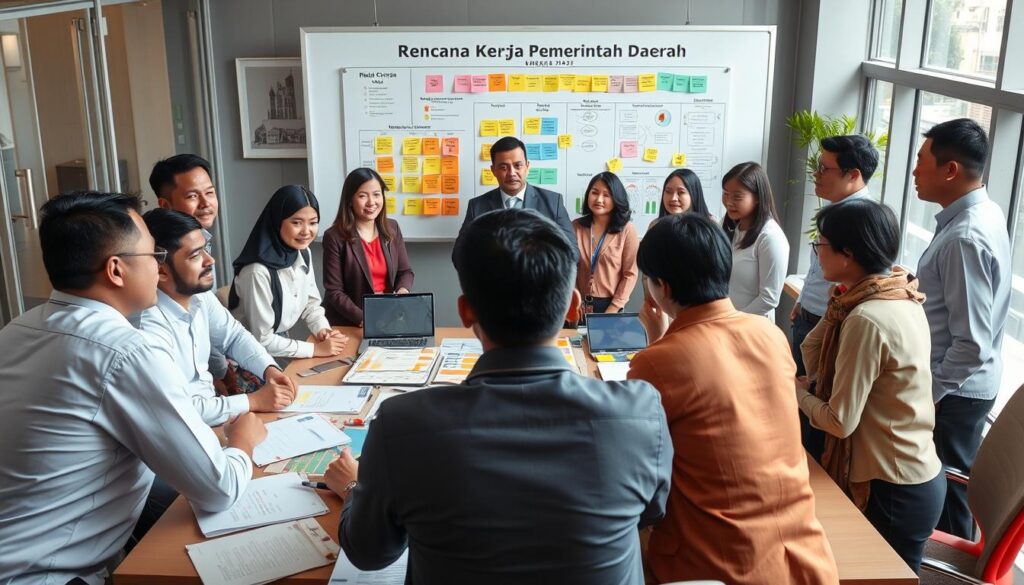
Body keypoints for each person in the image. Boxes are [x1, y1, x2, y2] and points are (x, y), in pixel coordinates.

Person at [324, 208, 671, 584]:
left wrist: (353, 486)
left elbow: (369, 551)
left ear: (465, 312)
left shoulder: (401, 425)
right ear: (573, 307)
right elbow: (650, 513)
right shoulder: (640, 413)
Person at [0, 191, 265, 584]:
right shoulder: (125, 351)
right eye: (153, 256)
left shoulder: (18, 329)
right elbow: (218, 488)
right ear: (116, 270)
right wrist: (242, 442)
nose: (159, 268)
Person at [629, 213, 838, 585]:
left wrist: (658, 342)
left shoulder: (657, 361)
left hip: (716, 567)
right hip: (806, 559)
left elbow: (641, 471)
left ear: (661, 287)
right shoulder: (770, 335)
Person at [797, 199, 944, 572]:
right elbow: (812, 351)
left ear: (847, 254)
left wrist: (791, 391)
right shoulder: (895, 293)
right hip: (908, 474)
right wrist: (837, 307)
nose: (816, 254)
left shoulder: (867, 318)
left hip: (893, 486)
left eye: (820, 244)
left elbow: (839, 421)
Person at [912, 118, 1010, 539]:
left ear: (950, 170)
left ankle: (947, 570)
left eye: (921, 160)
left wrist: (929, 393)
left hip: (954, 392)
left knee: (946, 502)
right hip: (963, 387)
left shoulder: (964, 237)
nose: (914, 171)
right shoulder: (983, 212)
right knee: (946, 495)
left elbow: (971, 344)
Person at [140, 209, 297, 426]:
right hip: (190, 428)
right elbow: (179, 410)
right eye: (195, 255)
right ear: (162, 270)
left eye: (206, 248)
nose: (210, 260)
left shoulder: (200, 296)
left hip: (215, 418)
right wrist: (254, 401)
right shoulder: (148, 327)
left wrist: (269, 369)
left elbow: (233, 336)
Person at [790, 135, 879, 460]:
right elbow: (821, 269)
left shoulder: (862, 219)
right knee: (800, 410)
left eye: (824, 168)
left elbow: (857, 281)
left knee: (812, 418)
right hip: (813, 317)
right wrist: (802, 299)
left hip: (833, 324)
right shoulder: (836, 212)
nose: (816, 174)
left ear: (853, 174)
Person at [229, 185, 348, 360]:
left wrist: (323, 330)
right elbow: (262, 340)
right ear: (278, 221)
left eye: (313, 222)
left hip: (279, 345)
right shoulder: (257, 272)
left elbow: (311, 304)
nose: (306, 231)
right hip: (247, 357)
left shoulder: (302, 252)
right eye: (296, 222)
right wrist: (315, 350)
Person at [149, 154, 232, 385]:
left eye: (210, 193)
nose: (206, 204)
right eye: (193, 196)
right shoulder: (160, 253)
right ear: (165, 205)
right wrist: (219, 375)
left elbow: (207, 316)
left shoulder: (203, 239)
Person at [322, 168, 414, 326]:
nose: (371, 202)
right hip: (349, 322)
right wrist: (364, 318)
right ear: (350, 200)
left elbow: (405, 272)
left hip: (387, 317)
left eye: (377, 194)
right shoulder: (334, 236)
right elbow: (334, 291)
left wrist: (402, 293)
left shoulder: (392, 228)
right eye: (362, 196)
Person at [458, 136, 574, 243]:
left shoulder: (553, 202)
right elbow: (459, 253)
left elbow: (572, 250)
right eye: (503, 167)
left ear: (527, 166)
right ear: (493, 170)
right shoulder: (476, 207)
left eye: (518, 165)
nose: (512, 173)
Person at [721, 161, 790, 319]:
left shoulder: (770, 237)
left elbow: (769, 298)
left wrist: (734, 320)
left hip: (750, 324)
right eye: (725, 194)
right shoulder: (730, 226)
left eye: (737, 196)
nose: (729, 202)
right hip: (726, 321)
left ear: (758, 197)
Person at [572, 172, 638, 314]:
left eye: (606, 195)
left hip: (611, 305)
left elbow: (630, 274)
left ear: (616, 198)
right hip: (579, 304)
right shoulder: (575, 227)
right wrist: (575, 300)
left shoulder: (627, 230)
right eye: (594, 193)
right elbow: (569, 267)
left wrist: (613, 308)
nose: (599, 199)